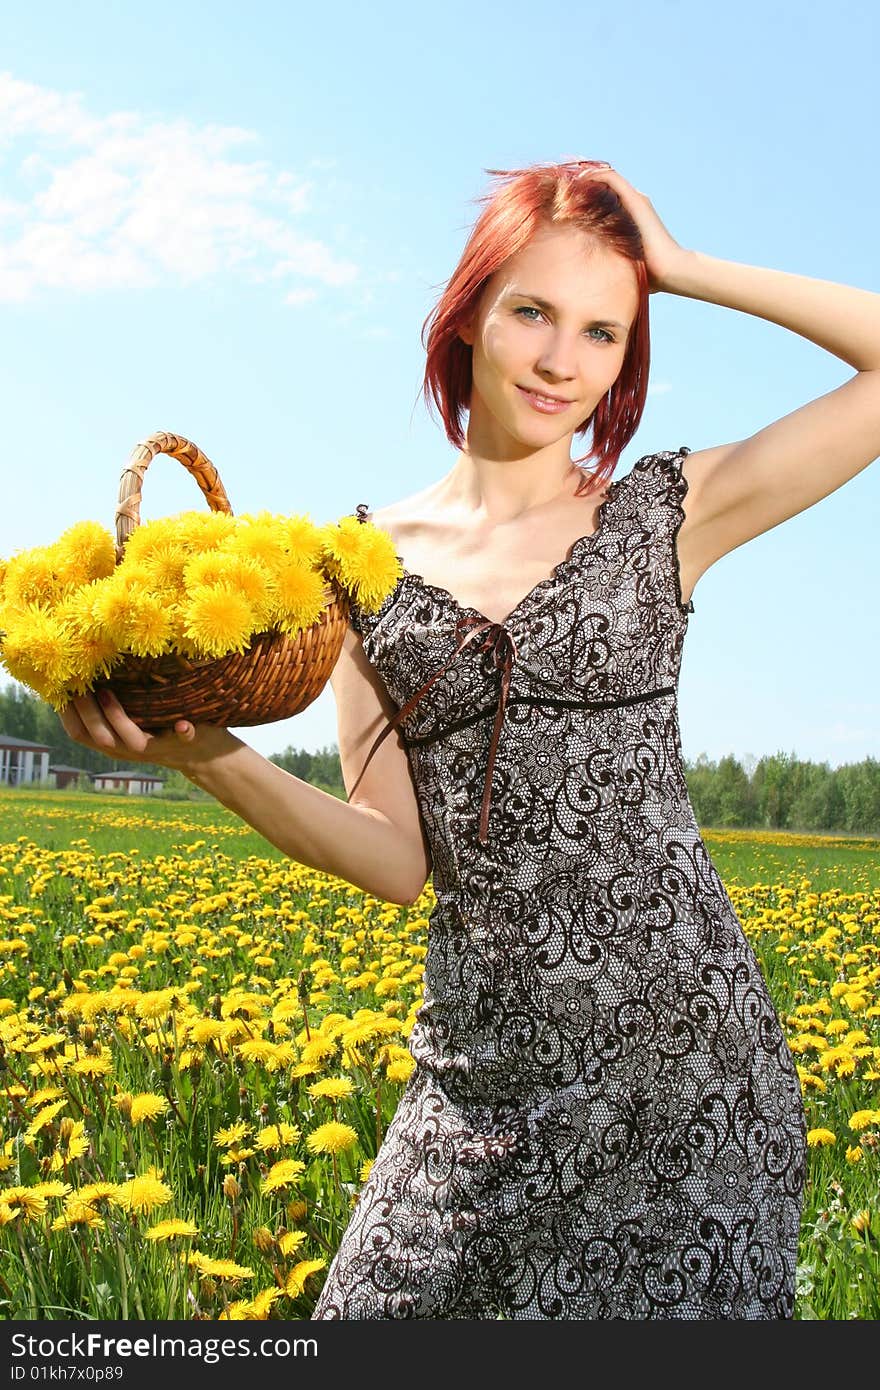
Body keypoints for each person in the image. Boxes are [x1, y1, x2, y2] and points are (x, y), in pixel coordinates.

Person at [60, 160, 880, 1319]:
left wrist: (683, 269)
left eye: (602, 331)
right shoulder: (355, 564)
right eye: (533, 312)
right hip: (485, 1077)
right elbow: (399, 857)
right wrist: (213, 759)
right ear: (470, 317)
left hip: (691, 1074)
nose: (560, 361)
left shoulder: (664, 513)